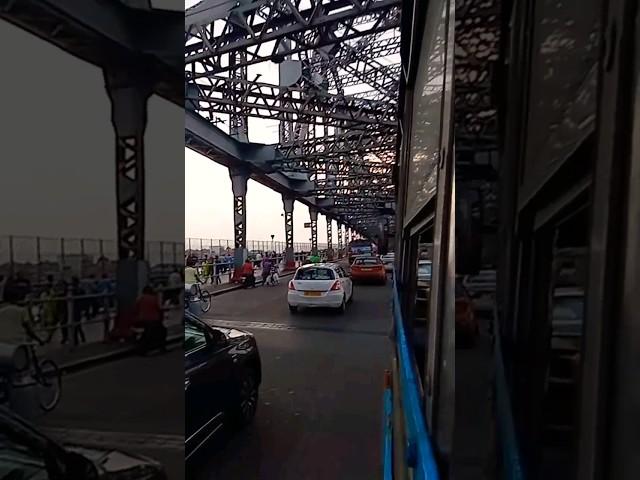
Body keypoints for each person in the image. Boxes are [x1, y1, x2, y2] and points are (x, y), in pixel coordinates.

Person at [133, 286, 166, 354]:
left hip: (142, 320)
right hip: (153, 320)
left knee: (147, 332)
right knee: (163, 330)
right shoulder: (154, 298)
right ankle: (161, 348)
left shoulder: (140, 298)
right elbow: (159, 308)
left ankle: (143, 348)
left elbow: (135, 309)